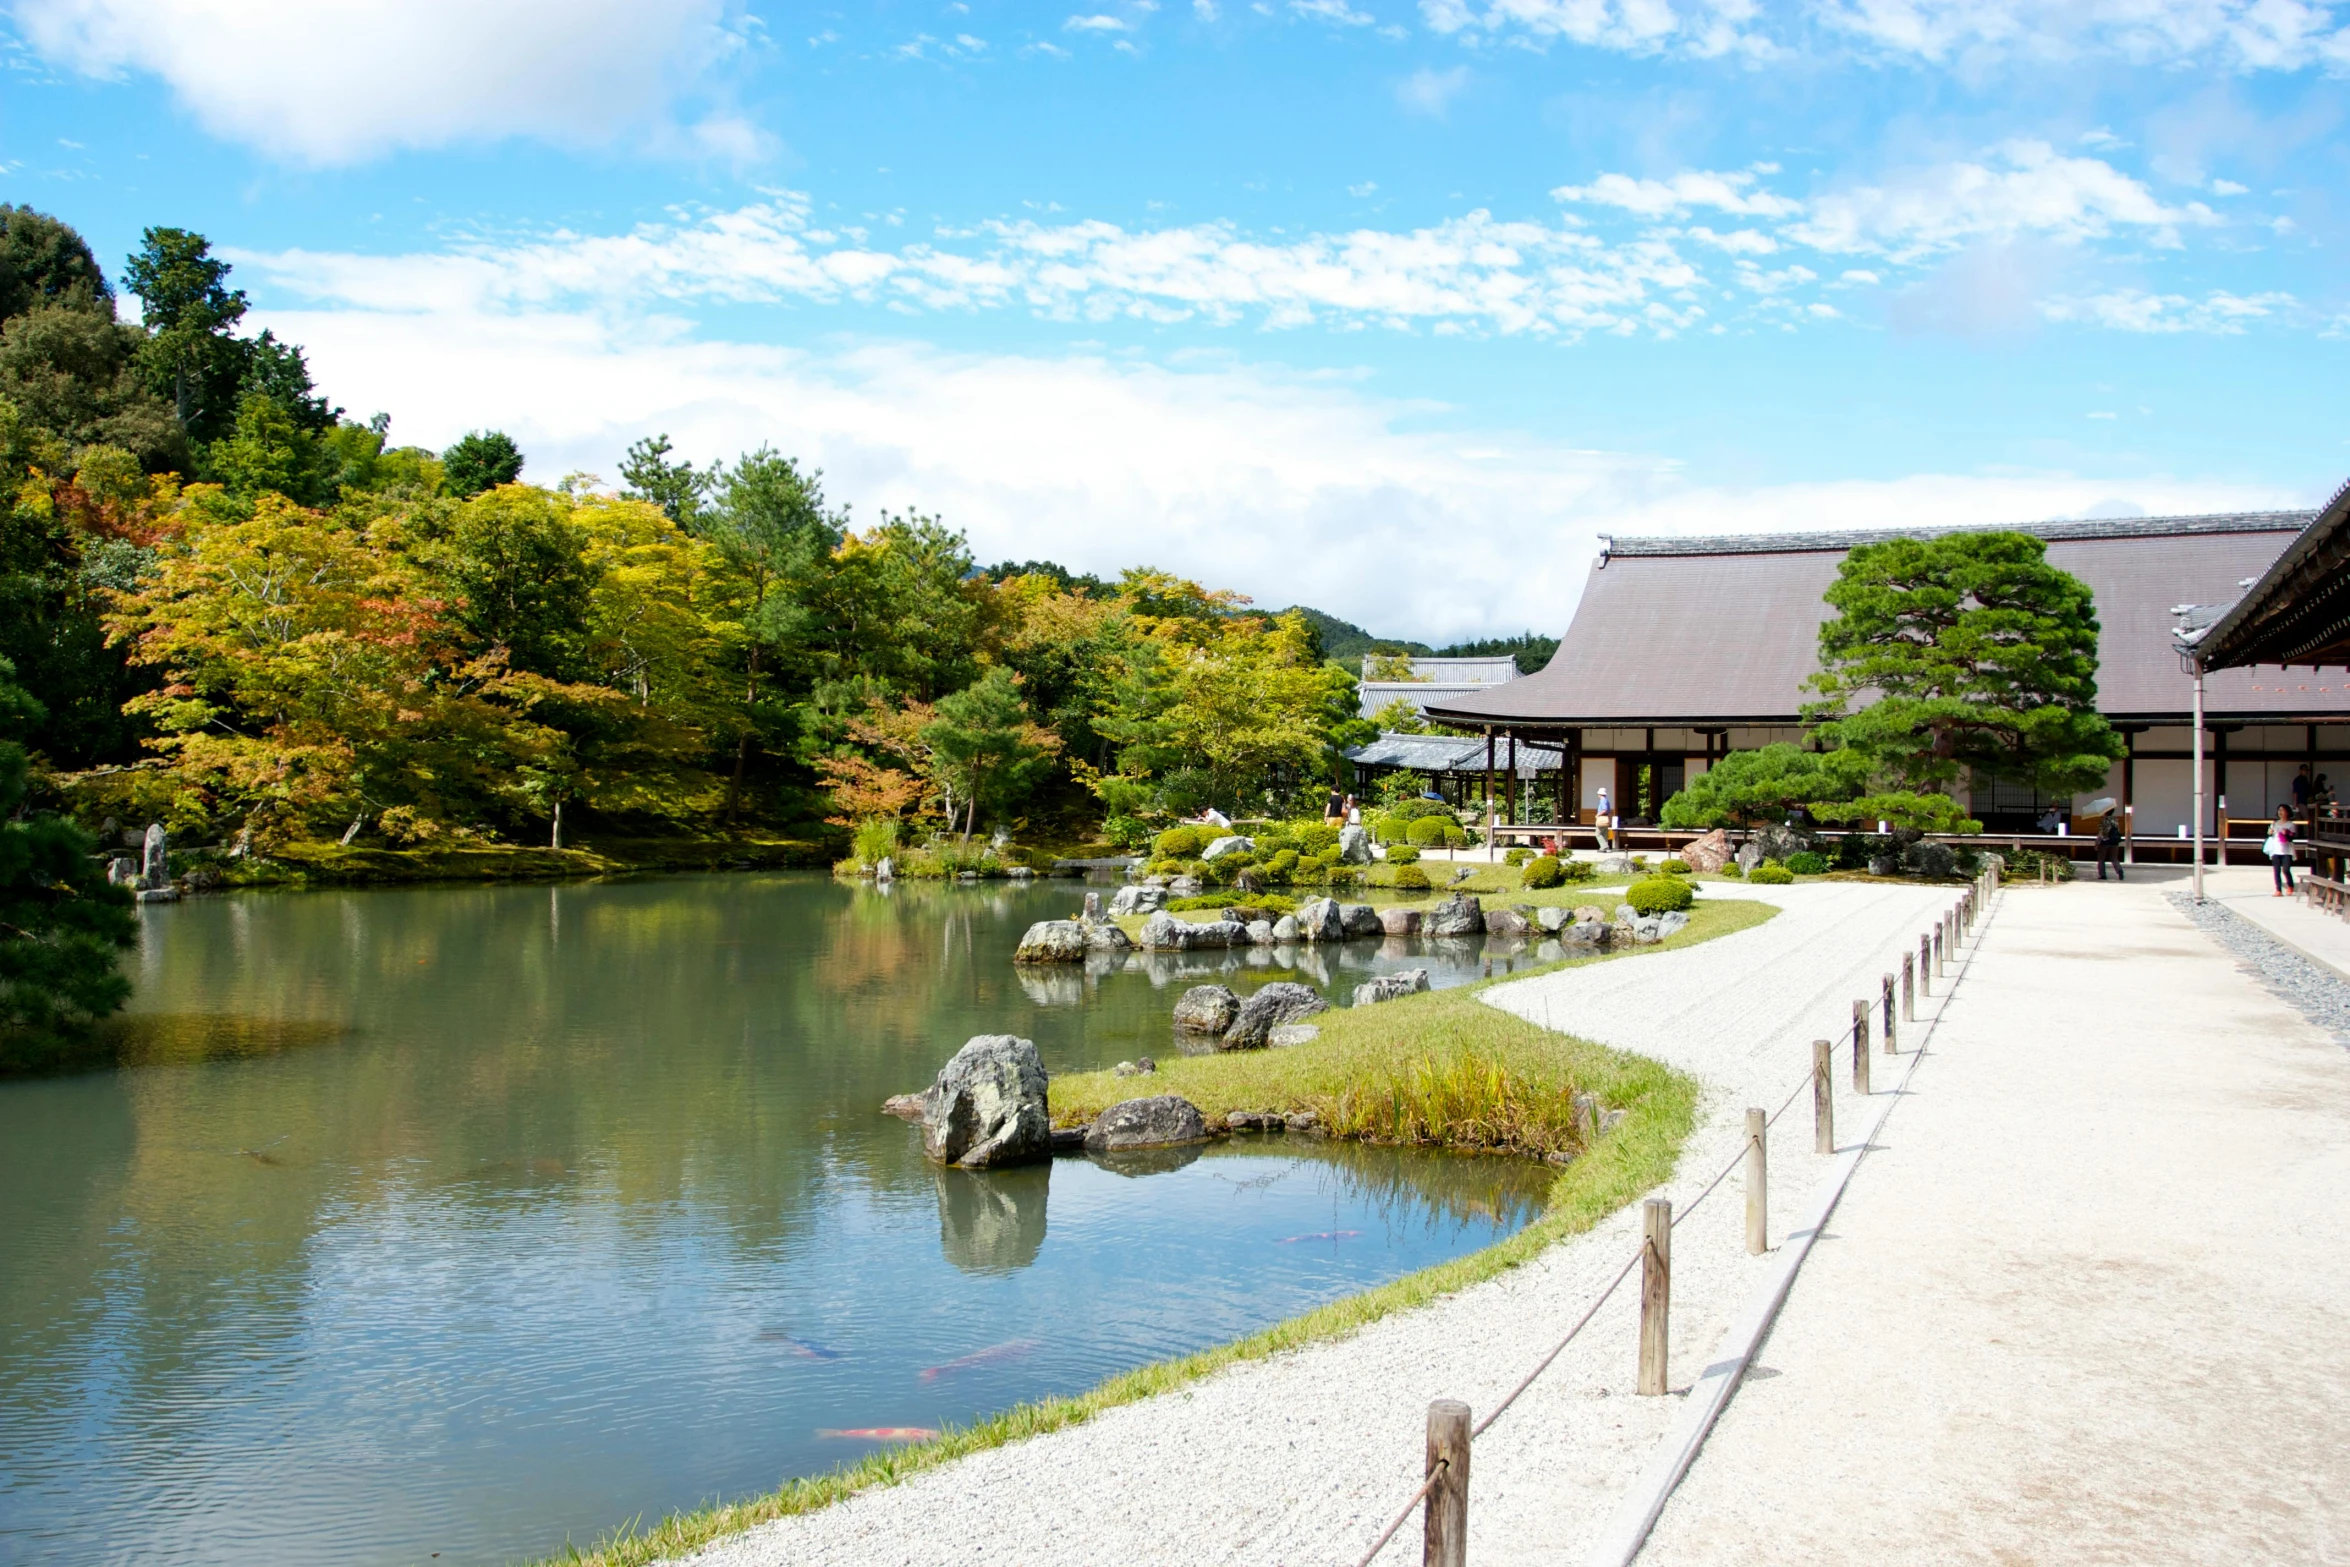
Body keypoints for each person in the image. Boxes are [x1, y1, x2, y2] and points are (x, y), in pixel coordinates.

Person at [2265, 805, 2297, 896]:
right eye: (2279, 810)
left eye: (2283, 810)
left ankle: (2290, 885)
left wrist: (2286, 834)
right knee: (2276, 870)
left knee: (2286, 869)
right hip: (2275, 849)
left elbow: (2291, 838)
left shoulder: (2291, 824)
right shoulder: (2274, 823)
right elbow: (2270, 835)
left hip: (2287, 850)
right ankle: (2278, 890)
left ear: (2287, 812)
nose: (2280, 812)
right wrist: (2269, 833)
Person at [2096, 807, 2124, 882]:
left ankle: (2102, 874)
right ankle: (2119, 870)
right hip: (2114, 841)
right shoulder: (2115, 820)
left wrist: (2097, 842)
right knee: (2114, 858)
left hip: (2105, 841)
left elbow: (2101, 832)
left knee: (2101, 859)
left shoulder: (2104, 820)